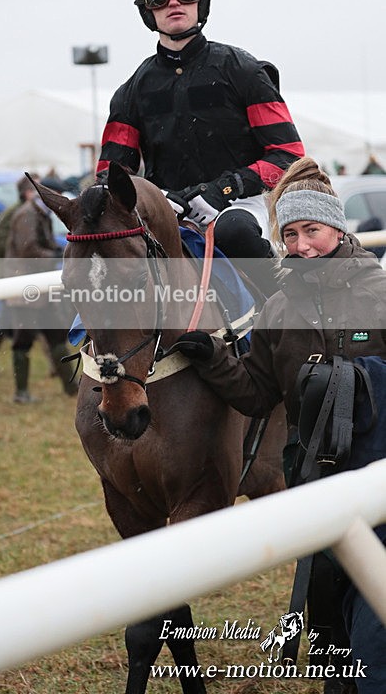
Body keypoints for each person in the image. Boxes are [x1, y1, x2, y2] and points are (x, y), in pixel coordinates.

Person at [173, 156, 386, 693]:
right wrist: (213, 358)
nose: (301, 245)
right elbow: (257, 394)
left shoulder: (378, 292)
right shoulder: (278, 308)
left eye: (311, 230)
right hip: (313, 475)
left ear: (337, 228)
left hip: (378, 470)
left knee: (374, 621)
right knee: (330, 611)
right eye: (289, 234)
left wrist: (360, 379)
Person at [96, 0, 304, 294]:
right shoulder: (129, 92)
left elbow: (288, 155)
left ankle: (292, 315)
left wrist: (221, 189)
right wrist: (156, 198)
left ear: (200, 0)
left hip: (240, 207)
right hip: (165, 212)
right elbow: (109, 175)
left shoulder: (245, 71)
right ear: (148, 10)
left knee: (233, 232)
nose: (174, 3)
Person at [4, 181, 77, 403]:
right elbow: (29, 250)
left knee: (56, 337)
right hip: (25, 288)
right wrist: (55, 255)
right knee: (22, 342)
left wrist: (55, 249)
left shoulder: (38, 213)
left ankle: (71, 387)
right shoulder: (27, 214)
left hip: (40, 289)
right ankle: (21, 393)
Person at [0, 175, 29, 375]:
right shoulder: (13, 214)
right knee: (4, 319)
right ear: (26, 192)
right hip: (8, 275)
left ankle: (56, 364)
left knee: (38, 318)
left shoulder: (27, 212)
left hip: (22, 274)